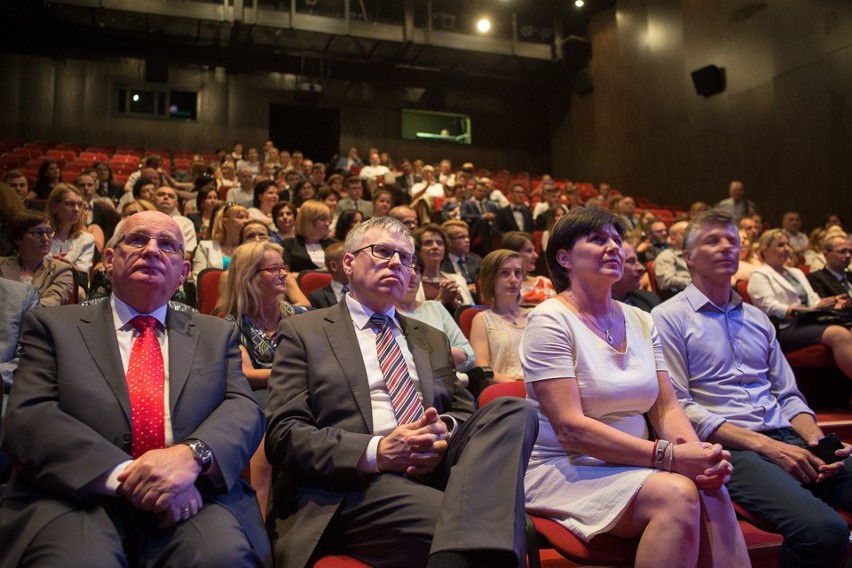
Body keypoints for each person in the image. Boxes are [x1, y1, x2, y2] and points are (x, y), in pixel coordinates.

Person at [0, 210, 270, 567]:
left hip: (192, 494)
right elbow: (30, 417)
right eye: (138, 240)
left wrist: (191, 457)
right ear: (109, 260)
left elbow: (243, 408)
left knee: (222, 558)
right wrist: (132, 477)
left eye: (168, 246)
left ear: (184, 272)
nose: (153, 251)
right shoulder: (53, 326)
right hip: (74, 495)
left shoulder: (215, 334)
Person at [265, 216, 538, 568]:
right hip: (357, 485)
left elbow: (462, 412)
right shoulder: (305, 332)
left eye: (406, 258)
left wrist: (443, 433)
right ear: (348, 262)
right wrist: (379, 450)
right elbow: (284, 436)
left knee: (514, 410)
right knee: (485, 528)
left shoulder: (430, 337)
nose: (397, 263)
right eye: (382, 252)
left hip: (439, 470)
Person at [521, 207, 749, 568]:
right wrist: (670, 458)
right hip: (564, 466)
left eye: (616, 239)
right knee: (676, 493)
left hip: (634, 461)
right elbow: (569, 429)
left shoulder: (641, 319)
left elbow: (667, 408)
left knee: (710, 487)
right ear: (564, 258)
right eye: (597, 239)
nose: (612, 246)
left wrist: (696, 457)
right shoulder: (548, 320)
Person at [652, 208, 852, 568]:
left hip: (788, 439)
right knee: (824, 533)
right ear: (688, 257)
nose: (726, 247)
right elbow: (679, 407)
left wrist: (815, 441)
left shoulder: (758, 318)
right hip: (732, 450)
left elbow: (789, 395)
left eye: (732, 240)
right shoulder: (667, 318)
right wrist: (770, 447)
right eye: (712, 240)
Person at [220, 239, 303, 516]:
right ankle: (259, 527)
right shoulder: (230, 324)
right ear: (249, 277)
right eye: (273, 269)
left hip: (302, 394)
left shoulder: (299, 317)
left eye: (284, 267)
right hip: (259, 399)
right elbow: (245, 374)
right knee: (263, 422)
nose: (283, 274)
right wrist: (296, 371)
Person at [747, 229, 852, 377]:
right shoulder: (760, 275)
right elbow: (769, 307)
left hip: (810, 320)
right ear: (765, 250)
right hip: (786, 328)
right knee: (838, 333)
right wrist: (801, 311)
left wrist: (829, 303)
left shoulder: (796, 272)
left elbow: (813, 300)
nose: (787, 249)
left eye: (788, 245)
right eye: (781, 245)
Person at [396, 255, 475, 372]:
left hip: (447, 384)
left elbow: (468, 355)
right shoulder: (384, 313)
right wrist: (444, 354)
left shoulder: (435, 307)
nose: (412, 274)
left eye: (417, 269)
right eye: (406, 268)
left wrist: (427, 354)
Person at [470, 249, 529, 383]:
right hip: (507, 390)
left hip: (543, 388)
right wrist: (518, 387)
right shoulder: (482, 320)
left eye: (518, 273)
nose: (513, 279)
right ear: (491, 279)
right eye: (505, 273)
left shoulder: (536, 314)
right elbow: (482, 368)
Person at [0, 211, 74, 307]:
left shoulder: (61, 270)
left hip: (37, 320)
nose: (45, 238)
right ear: (17, 239)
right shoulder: (1, 265)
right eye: (37, 233)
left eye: (49, 232)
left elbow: (52, 302)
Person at [414, 223, 474, 310]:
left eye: (439, 243)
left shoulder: (458, 279)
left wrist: (454, 303)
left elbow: (470, 313)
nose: (435, 246)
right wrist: (441, 299)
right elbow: (414, 317)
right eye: (428, 243)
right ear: (418, 250)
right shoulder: (412, 281)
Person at [45, 184, 97, 276]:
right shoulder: (40, 236)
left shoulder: (86, 239)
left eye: (80, 205)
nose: (77, 209)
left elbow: (83, 272)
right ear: (54, 207)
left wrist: (67, 266)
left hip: (71, 285)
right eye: (70, 204)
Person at [192, 203, 250, 278]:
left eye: (246, 217)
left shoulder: (249, 248)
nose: (246, 221)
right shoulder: (205, 247)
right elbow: (198, 278)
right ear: (225, 222)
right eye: (241, 217)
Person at [501, 231, 555, 305]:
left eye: (534, 250)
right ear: (512, 254)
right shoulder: (503, 285)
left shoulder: (544, 282)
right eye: (529, 251)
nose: (536, 255)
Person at [281, 200, 336, 273]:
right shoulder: (288, 245)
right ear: (308, 221)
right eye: (322, 219)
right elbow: (285, 274)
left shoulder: (334, 245)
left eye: (328, 220)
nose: (327, 223)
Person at [611, 242, 661, 312]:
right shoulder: (593, 313)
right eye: (631, 261)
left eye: (637, 261)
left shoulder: (650, 300)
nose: (641, 268)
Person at [440, 220, 482, 296]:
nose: (467, 240)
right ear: (448, 240)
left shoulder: (477, 260)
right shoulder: (441, 264)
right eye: (461, 237)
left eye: (468, 237)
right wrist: (465, 289)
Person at [652, 220, 691, 298]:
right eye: (685, 233)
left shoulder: (698, 254)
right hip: (682, 299)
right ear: (672, 239)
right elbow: (666, 282)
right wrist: (696, 284)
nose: (690, 236)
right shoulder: (666, 256)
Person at [807, 234, 852, 298]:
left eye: (850, 252)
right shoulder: (816, 279)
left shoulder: (850, 276)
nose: (848, 255)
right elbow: (823, 306)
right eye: (842, 251)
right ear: (826, 254)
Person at [307, 241, 349, 309]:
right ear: (334, 266)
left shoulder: (365, 292)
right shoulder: (317, 297)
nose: (354, 264)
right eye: (348, 261)